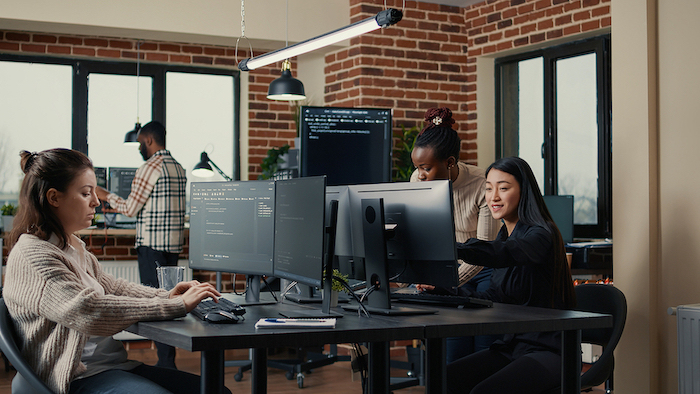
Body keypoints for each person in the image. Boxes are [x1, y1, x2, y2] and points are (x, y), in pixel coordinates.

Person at [4, 148, 231, 394]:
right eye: (85, 193)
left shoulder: (70, 246)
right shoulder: (32, 255)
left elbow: (112, 288)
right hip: (75, 377)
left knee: (217, 390)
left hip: (112, 367)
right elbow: (88, 310)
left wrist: (167, 296)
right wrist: (175, 306)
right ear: (53, 198)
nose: (96, 201)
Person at [418, 156, 577, 394]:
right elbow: (492, 296)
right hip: (512, 346)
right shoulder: (505, 236)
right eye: (488, 188)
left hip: (549, 349)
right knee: (443, 378)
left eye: (503, 188)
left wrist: (452, 248)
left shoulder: (542, 234)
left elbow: (507, 253)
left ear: (524, 191)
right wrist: (443, 290)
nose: (493, 197)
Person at [410, 107, 501, 361]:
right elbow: (421, 235)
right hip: (447, 270)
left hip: (484, 269)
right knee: (452, 350)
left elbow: (484, 251)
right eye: (416, 167)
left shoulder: (482, 184)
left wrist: (447, 282)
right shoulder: (418, 182)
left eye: (425, 168)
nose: (419, 175)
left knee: (484, 349)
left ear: (450, 162)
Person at [95, 120, 187, 369]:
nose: (139, 147)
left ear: (148, 140)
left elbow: (131, 208)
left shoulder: (149, 167)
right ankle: (168, 361)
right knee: (169, 300)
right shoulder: (178, 167)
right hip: (173, 244)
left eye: (139, 143)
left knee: (156, 305)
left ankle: (166, 364)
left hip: (152, 245)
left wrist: (105, 195)